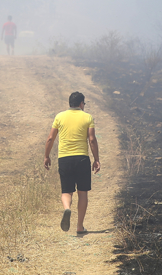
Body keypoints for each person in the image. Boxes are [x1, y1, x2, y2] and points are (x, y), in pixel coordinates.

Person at [43, 91, 101, 234]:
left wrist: (46, 156)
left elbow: (50, 138)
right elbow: (92, 139)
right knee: (82, 193)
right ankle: (79, 226)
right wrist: (96, 159)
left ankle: (67, 208)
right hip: (82, 159)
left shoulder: (59, 117)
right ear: (81, 104)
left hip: (64, 159)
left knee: (66, 191)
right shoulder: (87, 117)